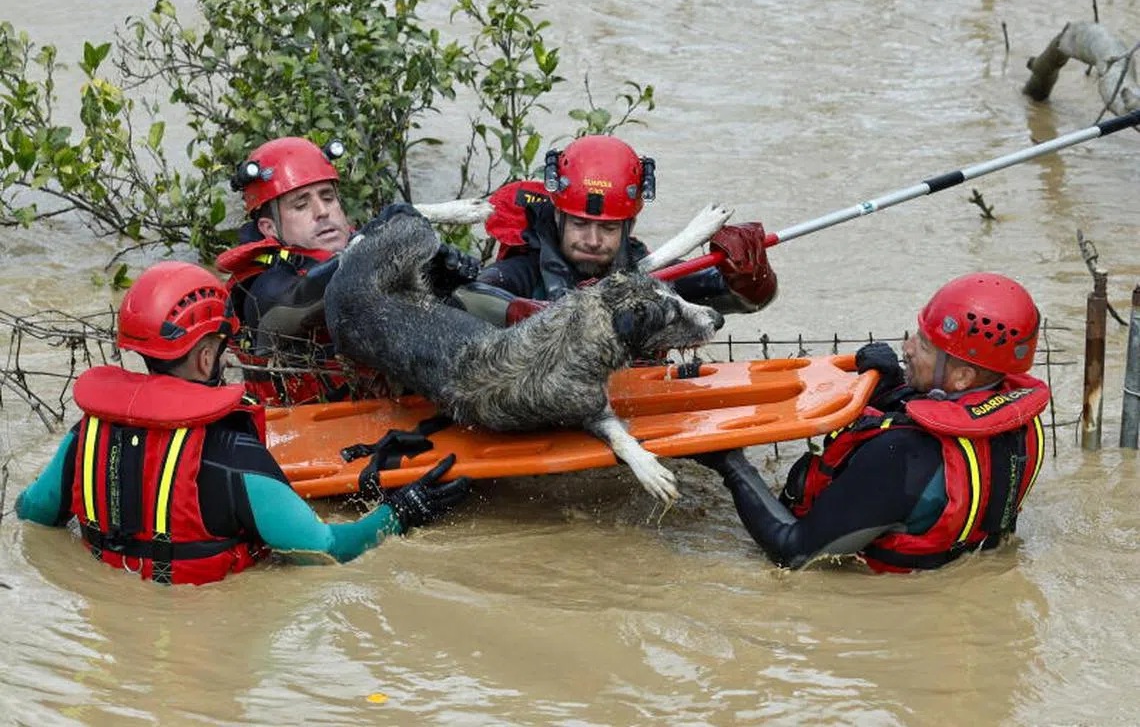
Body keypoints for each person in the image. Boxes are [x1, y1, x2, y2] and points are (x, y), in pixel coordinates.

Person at [15, 261, 471, 585]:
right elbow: (327, 552)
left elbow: (32, 513)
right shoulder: (234, 457)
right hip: (207, 630)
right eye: (222, 344)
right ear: (206, 355)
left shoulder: (85, 437)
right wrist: (401, 513)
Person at [699, 272, 1050, 573]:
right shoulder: (1022, 419)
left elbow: (793, 553)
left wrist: (731, 464)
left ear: (961, 378)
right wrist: (893, 387)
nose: (908, 347)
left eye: (925, 346)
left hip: (889, 595)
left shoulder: (902, 454)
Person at [216, 136, 480, 404]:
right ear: (269, 229)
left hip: (381, 413)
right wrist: (373, 241)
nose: (322, 212)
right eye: (301, 205)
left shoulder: (365, 250)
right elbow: (310, 298)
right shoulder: (263, 289)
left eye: (328, 198)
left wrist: (437, 283)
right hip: (306, 427)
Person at [451, 135, 779, 326]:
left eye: (608, 228)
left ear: (629, 225)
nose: (592, 241)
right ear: (558, 219)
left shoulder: (648, 271)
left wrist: (750, 275)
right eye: (580, 224)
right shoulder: (523, 271)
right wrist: (536, 315)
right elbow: (465, 296)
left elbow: (747, 301)